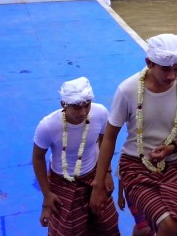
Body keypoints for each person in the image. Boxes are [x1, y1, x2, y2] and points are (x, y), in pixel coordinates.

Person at [90, 34, 177, 236]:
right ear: (149, 63)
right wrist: (99, 183)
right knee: (168, 226)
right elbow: (109, 137)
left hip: (173, 165)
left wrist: (173, 147)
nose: (171, 76)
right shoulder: (128, 90)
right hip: (135, 165)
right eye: (165, 69)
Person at [32, 77, 120, 236]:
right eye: (77, 108)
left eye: (87, 106)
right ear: (63, 105)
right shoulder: (47, 126)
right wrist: (47, 195)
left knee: (107, 225)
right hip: (62, 182)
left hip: (94, 176)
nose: (83, 112)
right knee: (68, 231)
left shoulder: (100, 113)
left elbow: (104, 139)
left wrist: (107, 173)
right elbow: (38, 158)